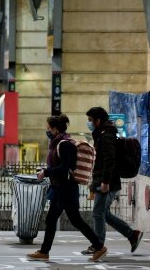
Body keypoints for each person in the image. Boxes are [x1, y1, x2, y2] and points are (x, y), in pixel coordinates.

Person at [27, 114, 107, 262]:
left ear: (55, 129)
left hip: (66, 189)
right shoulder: (58, 143)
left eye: (48, 128)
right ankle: (44, 252)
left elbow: (65, 168)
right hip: (59, 188)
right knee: (51, 220)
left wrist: (46, 172)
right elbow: (58, 165)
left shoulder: (65, 144)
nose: (47, 131)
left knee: (75, 220)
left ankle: (99, 246)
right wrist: (46, 169)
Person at [83, 106, 143, 256]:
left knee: (98, 213)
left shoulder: (106, 135)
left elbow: (109, 160)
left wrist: (105, 182)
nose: (89, 123)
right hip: (106, 180)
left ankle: (98, 245)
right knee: (105, 213)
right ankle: (132, 235)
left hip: (107, 182)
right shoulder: (102, 134)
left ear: (98, 120)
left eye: (90, 120)